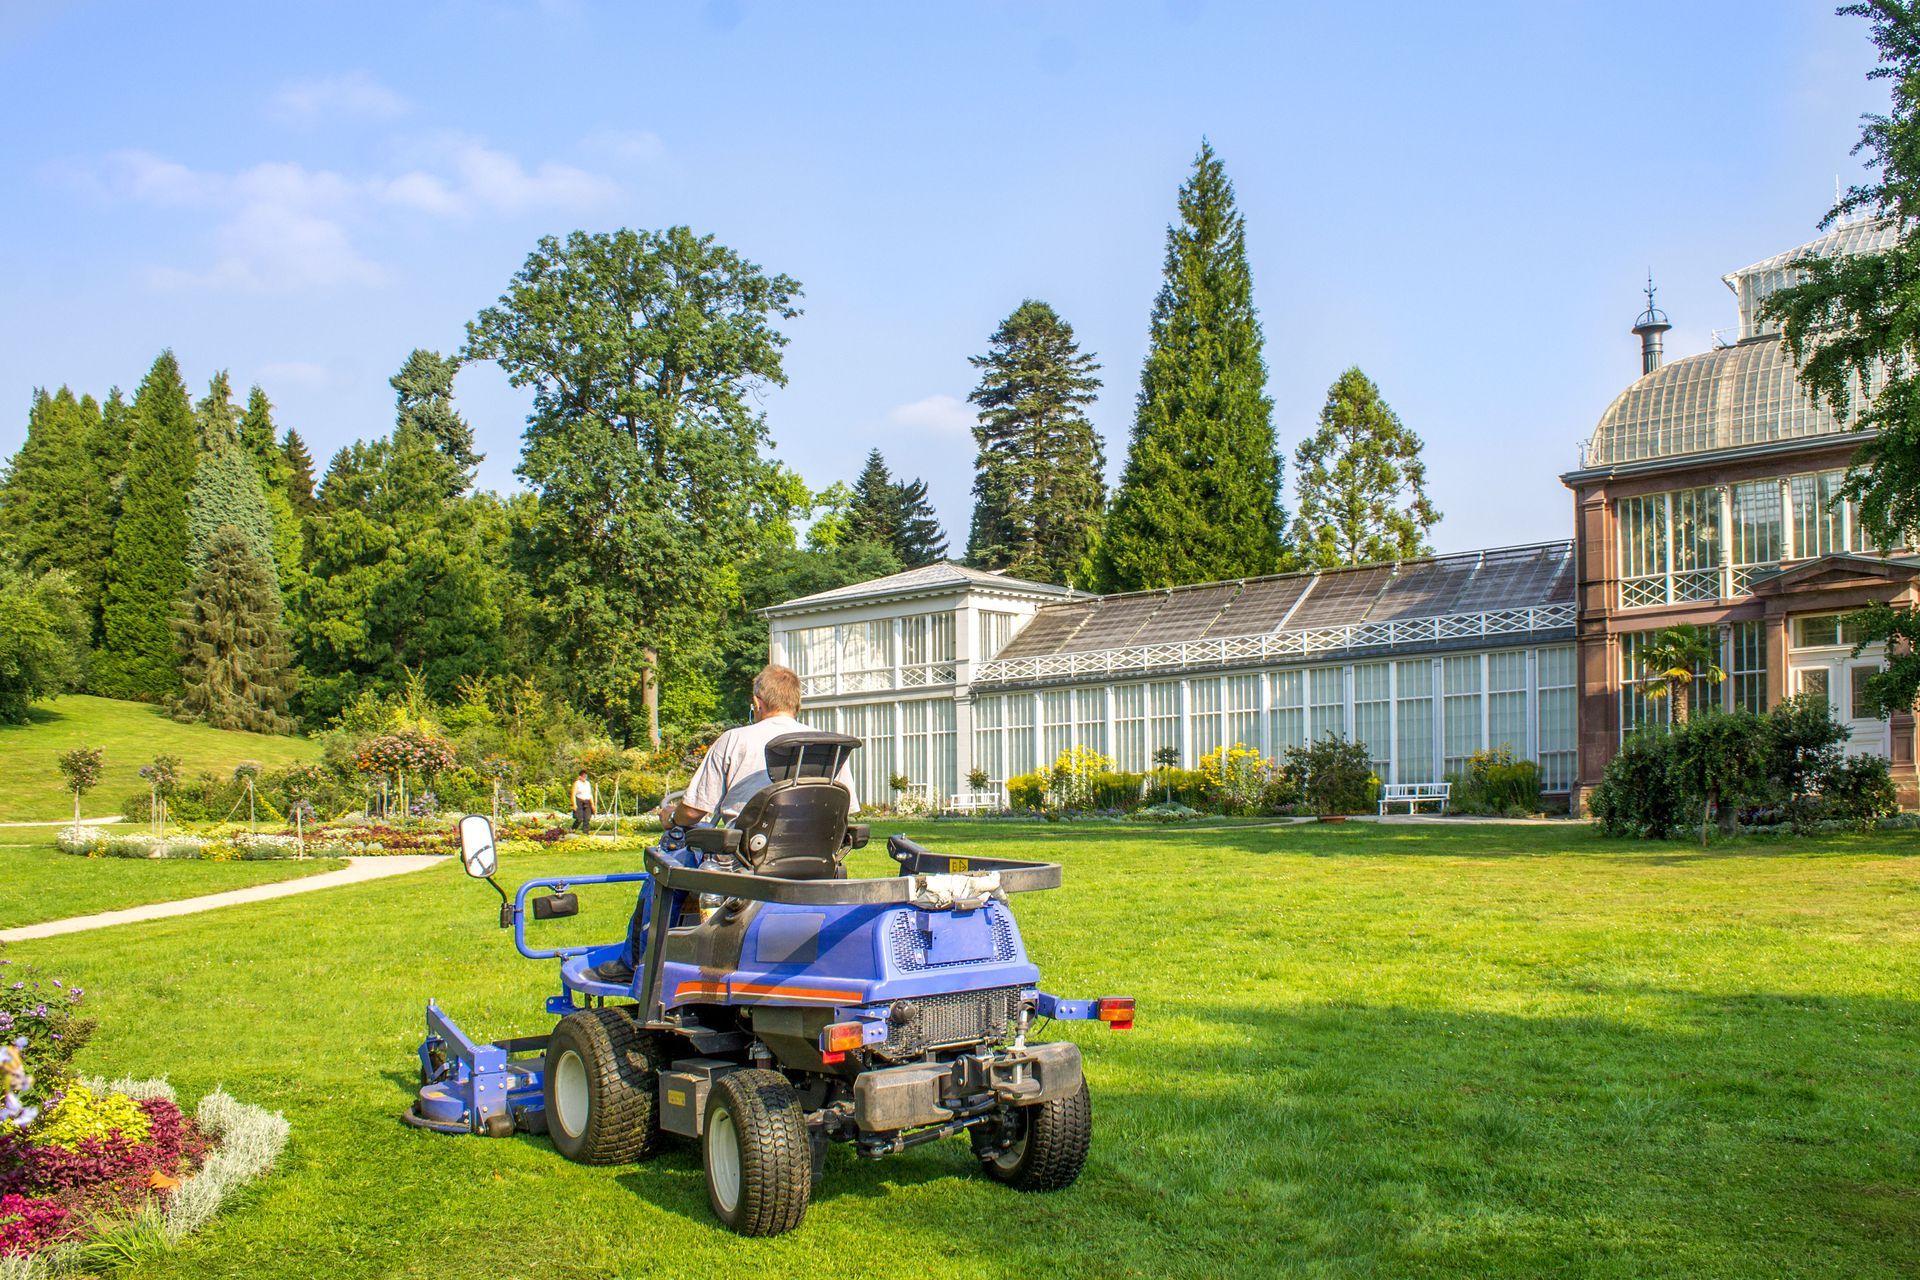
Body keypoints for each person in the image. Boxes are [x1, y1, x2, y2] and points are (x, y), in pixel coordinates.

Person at [592, 664, 858, 983]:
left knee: (670, 852)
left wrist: (670, 818)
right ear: (796, 704)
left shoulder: (735, 740)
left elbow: (694, 811)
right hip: (814, 862)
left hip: (743, 862)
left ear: (757, 703)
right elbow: (846, 812)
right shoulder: (826, 749)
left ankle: (637, 962)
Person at [571, 770, 595, 834]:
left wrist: (592, 804)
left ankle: (585, 833)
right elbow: (573, 794)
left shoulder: (588, 783)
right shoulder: (577, 783)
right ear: (580, 776)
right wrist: (574, 804)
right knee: (579, 819)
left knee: (587, 818)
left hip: (587, 801)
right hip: (579, 801)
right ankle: (573, 829)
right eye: (583, 776)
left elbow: (590, 794)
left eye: (585, 776)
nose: (584, 777)